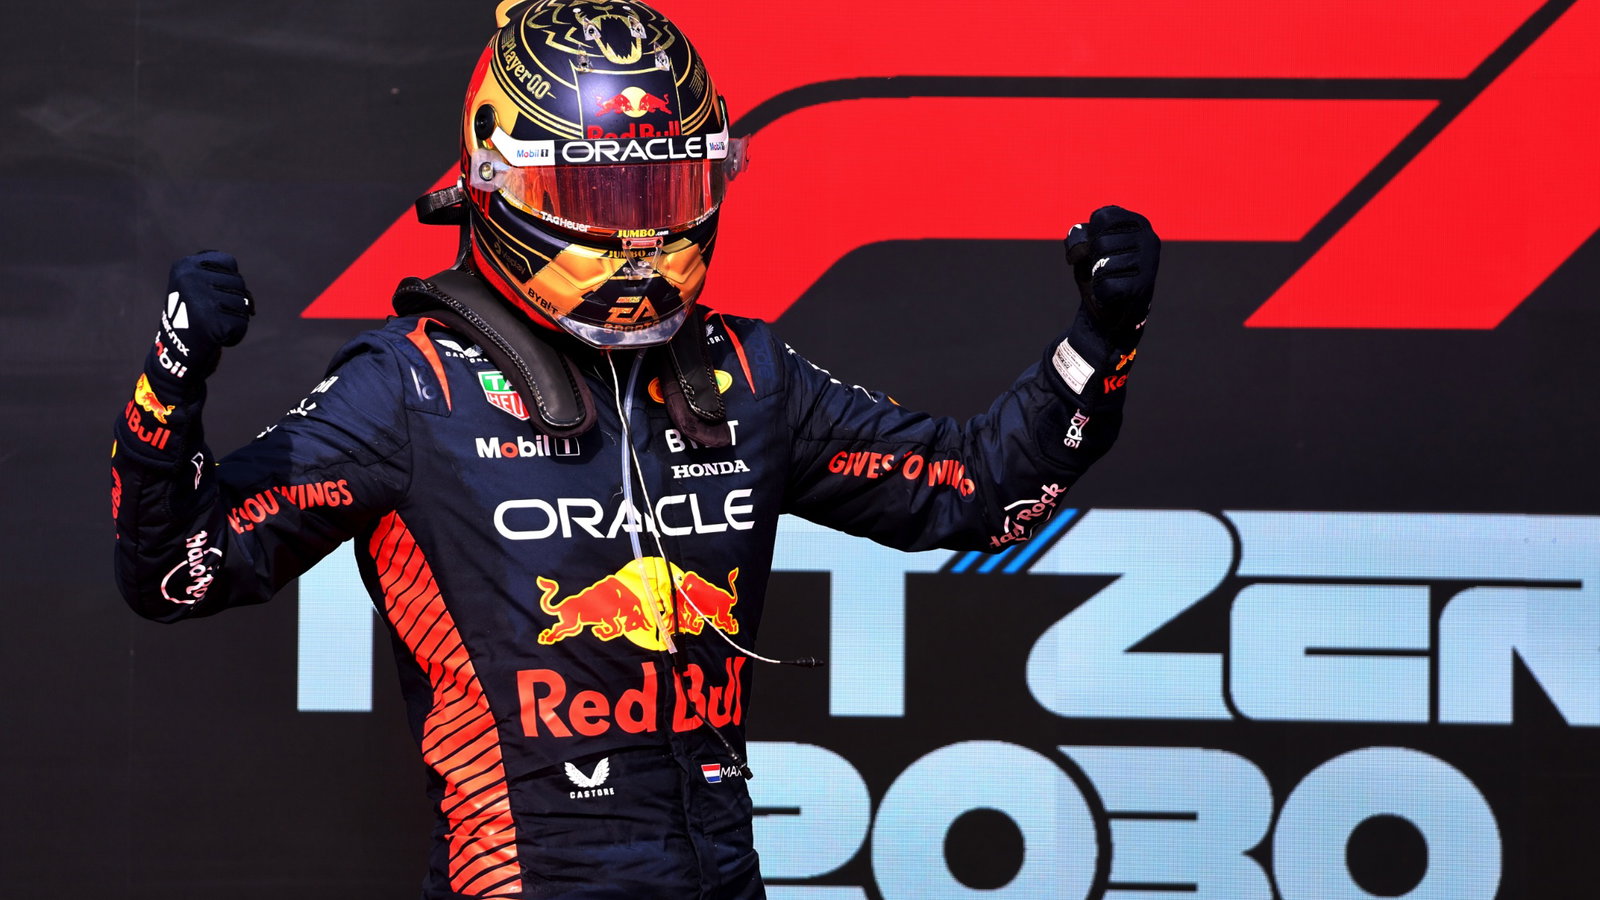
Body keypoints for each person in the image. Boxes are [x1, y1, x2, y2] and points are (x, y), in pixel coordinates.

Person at [110, 1, 1160, 897]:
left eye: (664, 195)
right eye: (601, 198)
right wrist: (171, 387)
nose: (641, 239)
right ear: (498, 183)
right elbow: (175, 574)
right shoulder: (410, 386)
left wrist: (1100, 341)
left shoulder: (747, 373)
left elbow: (976, 492)